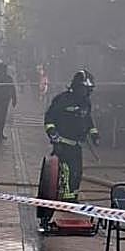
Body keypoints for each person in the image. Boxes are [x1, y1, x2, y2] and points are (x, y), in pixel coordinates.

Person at [38, 70, 100, 230]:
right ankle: (65, 202)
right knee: (65, 171)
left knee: (77, 172)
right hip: (63, 144)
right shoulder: (62, 100)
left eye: (89, 89)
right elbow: (49, 118)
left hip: (76, 145)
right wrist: (53, 134)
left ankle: (72, 199)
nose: (87, 92)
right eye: (85, 89)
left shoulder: (86, 103)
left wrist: (94, 134)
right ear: (77, 87)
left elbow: (88, 120)